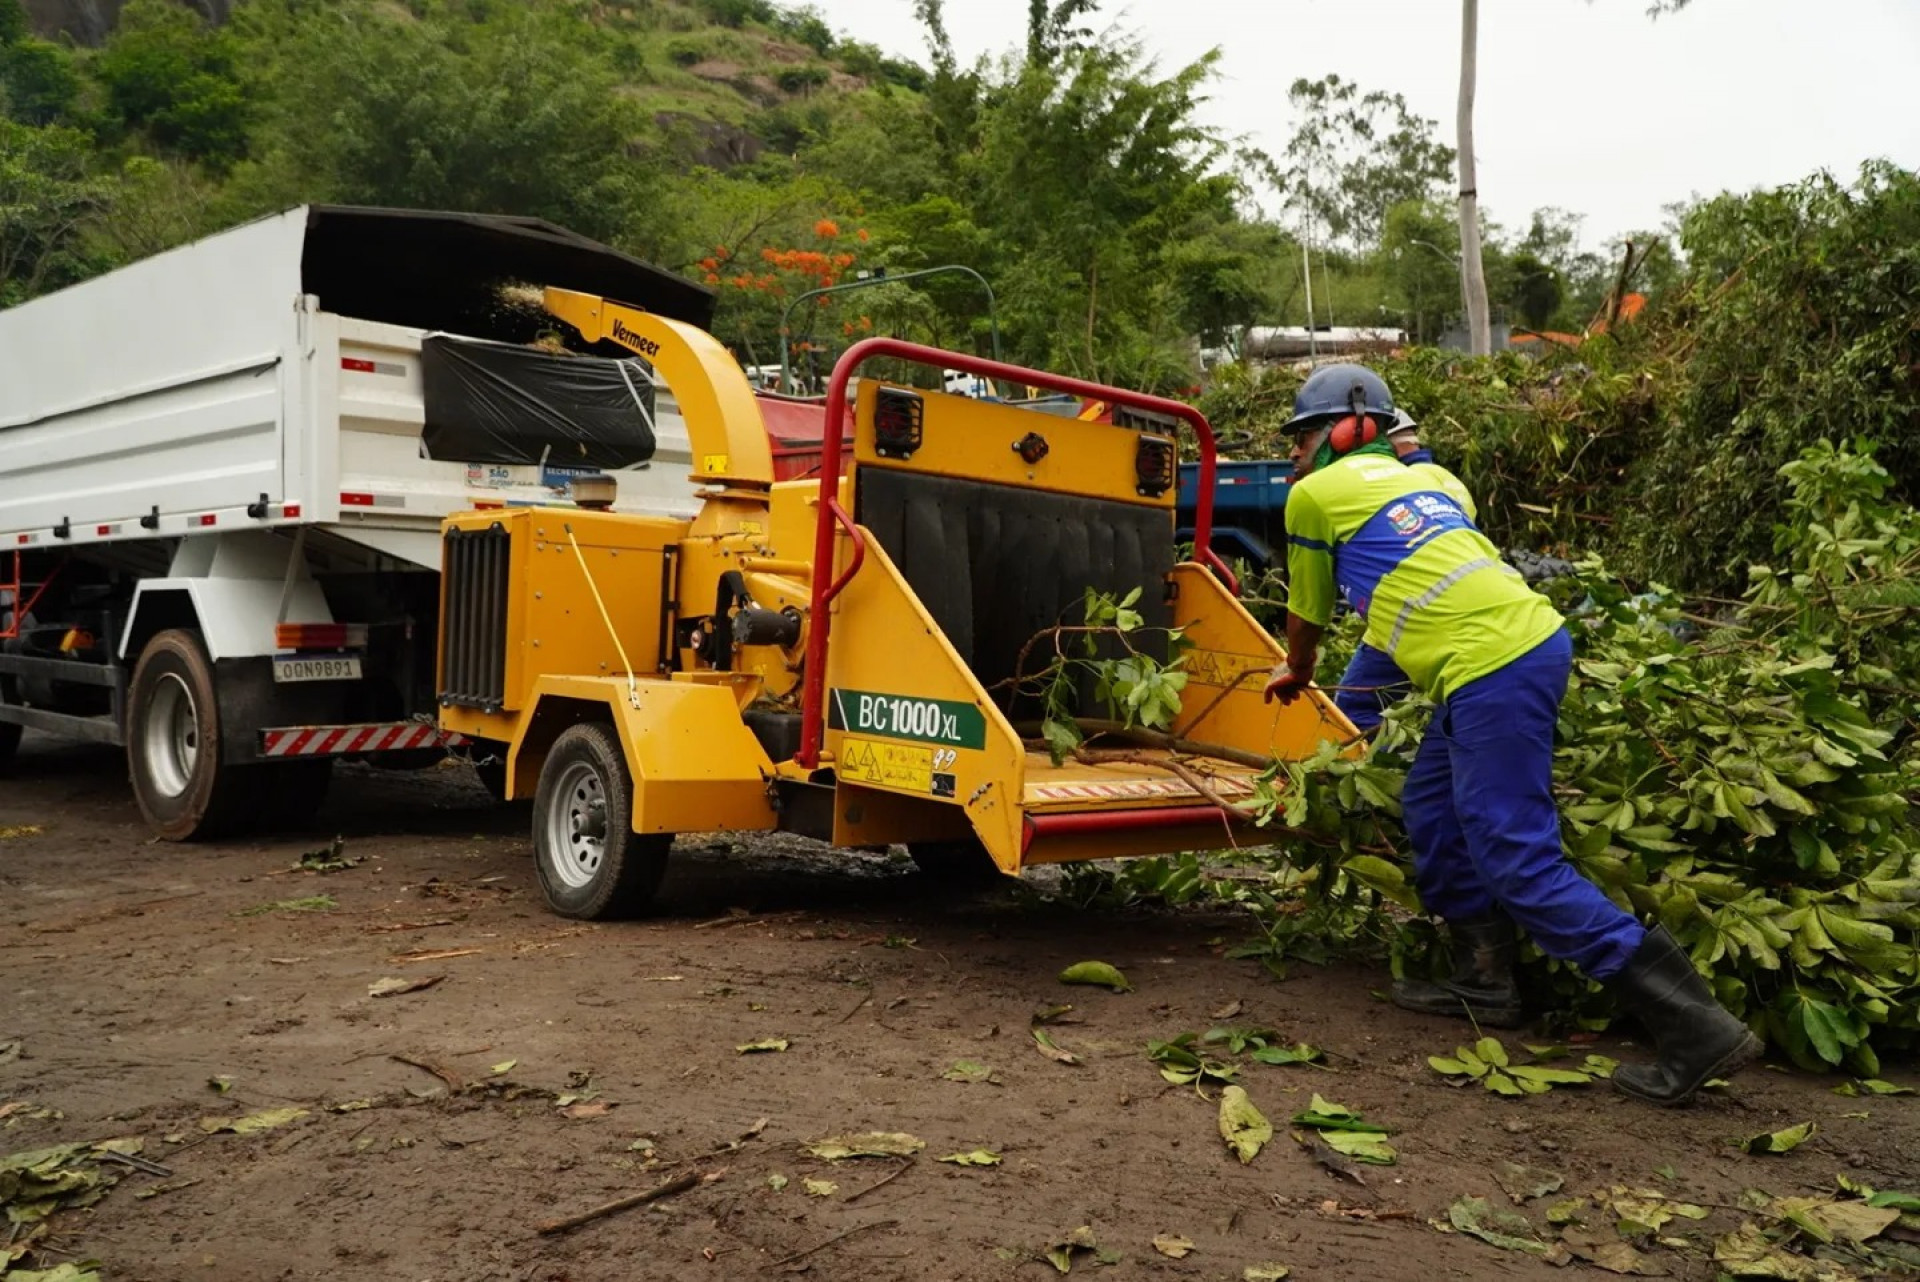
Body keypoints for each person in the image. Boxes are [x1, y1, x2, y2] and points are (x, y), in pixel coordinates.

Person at [1262, 363, 1760, 1107]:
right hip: (1515, 651)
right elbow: (1410, 596)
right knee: (1433, 806)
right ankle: (1484, 978)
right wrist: (1352, 722)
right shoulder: (1438, 486)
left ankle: (1694, 1025)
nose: (1294, 453)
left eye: (1303, 437)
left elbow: (1307, 612)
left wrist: (1299, 673)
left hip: (1491, 667)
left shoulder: (1314, 497)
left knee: (1515, 855)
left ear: (1347, 431)